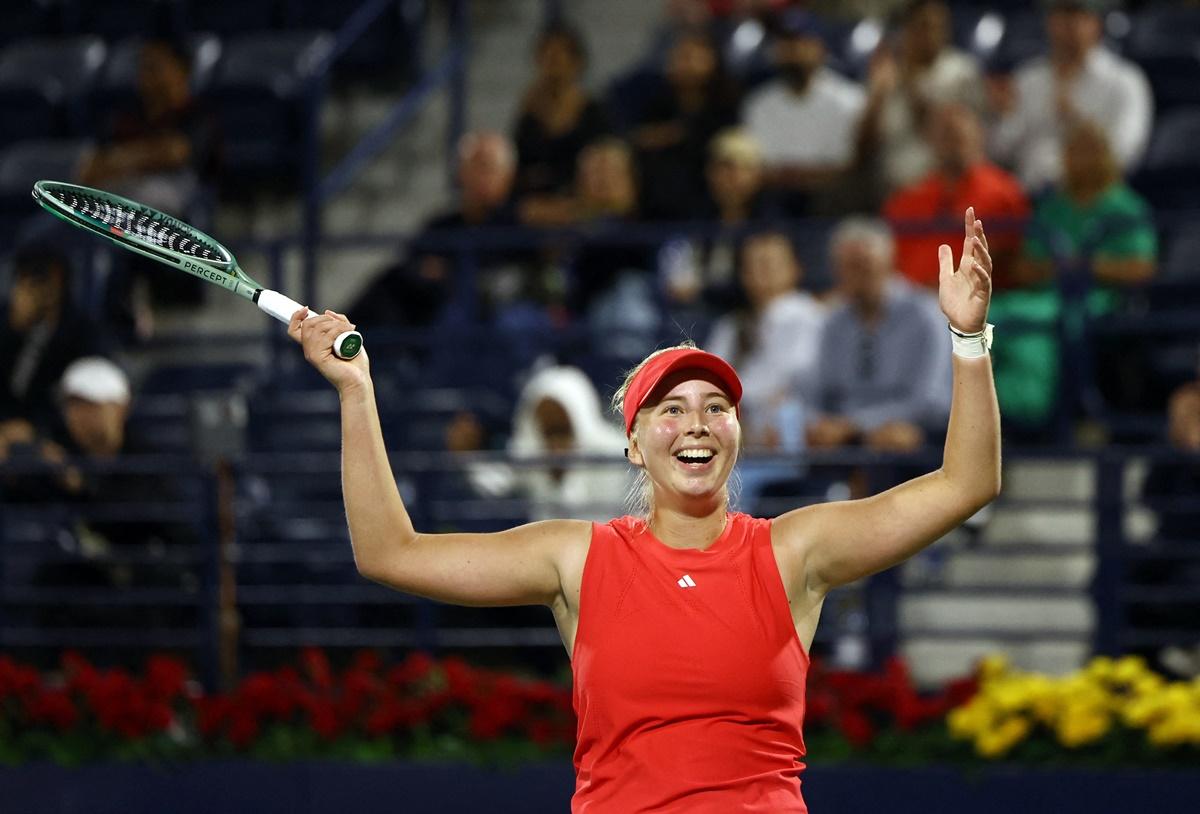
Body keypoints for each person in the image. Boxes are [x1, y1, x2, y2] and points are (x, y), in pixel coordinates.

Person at [287, 204, 999, 811]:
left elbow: (965, 484)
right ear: (632, 445)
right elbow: (389, 552)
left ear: (736, 434)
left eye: (717, 407)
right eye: (672, 409)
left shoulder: (792, 551)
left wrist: (968, 341)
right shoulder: (577, 557)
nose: (697, 423)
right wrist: (357, 393)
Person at [990, 120, 1157, 431]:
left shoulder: (1127, 207)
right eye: (1076, 152)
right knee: (989, 314)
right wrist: (1056, 268)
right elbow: (1024, 267)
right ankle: (978, 403)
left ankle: (1030, 409)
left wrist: (1086, 267)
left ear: (1107, 156)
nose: (1083, 160)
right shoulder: (1053, 207)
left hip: (1099, 298)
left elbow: (1141, 267)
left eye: (1091, 151)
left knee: (1043, 322)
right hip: (1045, 293)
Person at [807, 217, 952, 454]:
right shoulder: (833, 322)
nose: (856, 276)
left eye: (864, 264)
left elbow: (932, 400)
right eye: (847, 266)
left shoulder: (926, 316)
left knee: (897, 440)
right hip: (844, 437)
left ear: (888, 262)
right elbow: (819, 392)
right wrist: (815, 423)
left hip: (916, 433)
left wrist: (858, 424)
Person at [988, 0, 1153, 193]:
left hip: (1093, 198)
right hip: (1032, 200)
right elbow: (1000, 151)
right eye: (1060, 15)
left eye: (1077, 15)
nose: (1068, 26)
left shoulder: (1124, 80)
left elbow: (1125, 154)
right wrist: (1003, 118)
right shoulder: (1028, 78)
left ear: (1096, 23)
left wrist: (1076, 121)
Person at [457, 363, 631, 523]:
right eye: (549, 431)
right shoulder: (531, 450)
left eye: (561, 430)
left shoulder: (614, 452)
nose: (555, 442)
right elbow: (497, 485)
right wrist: (467, 457)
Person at [883, 102, 1029, 290]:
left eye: (957, 136)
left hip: (973, 299)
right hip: (907, 302)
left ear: (978, 136)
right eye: (945, 136)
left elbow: (1010, 260)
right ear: (930, 141)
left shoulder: (1004, 193)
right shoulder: (907, 199)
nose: (951, 144)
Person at [706, 231, 826, 451]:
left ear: (795, 269)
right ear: (744, 275)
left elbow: (794, 377)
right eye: (756, 265)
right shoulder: (731, 325)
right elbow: (709, 380)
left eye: (772, 263)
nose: (765, 272)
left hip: (790, 426)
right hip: (739, 427)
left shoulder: (807, 315)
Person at [742, 9, 867, 213]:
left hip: (832, 198)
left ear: (820, 48)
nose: (794, 52)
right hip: (773, 201)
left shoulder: (850, 99)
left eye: (802, 43)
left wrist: (798, 175)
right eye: (786, 44)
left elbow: (847, 166)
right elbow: (759, 168)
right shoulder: (758, 103)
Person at [857, 0, 985, 198]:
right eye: (924, 26)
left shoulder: (961, 71)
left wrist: (908, 82)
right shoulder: (885, 74)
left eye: (939, 27)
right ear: (907, 30)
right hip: (890, 186)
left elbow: (951, 134)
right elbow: (863, 148)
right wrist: (877, 98)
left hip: (946, 185)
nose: (932, 35)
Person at [630, 29, 742, 220]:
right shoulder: (658, 101)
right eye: (680, 56)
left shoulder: (727, 103)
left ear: (713, 60)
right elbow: (640, 137)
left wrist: (675, 135)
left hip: (708, 191)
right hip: (659, 194)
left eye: (692, 57)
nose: (685, 64)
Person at [0, 244, 114, 431]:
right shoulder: (6, 322)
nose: (40, 288)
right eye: (30, 279)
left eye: (45, 277)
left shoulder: (81, 329)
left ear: (62, 279)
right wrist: (13, 328)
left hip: (60, 432)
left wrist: (35, 431)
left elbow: (86, 389)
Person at [513, 24, 611, 200]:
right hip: (538, 204)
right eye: (546, 56)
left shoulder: (594, 113)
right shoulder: (529, 116)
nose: (552, 64)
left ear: (577, 63)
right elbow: (519, 165)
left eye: (558, 57)